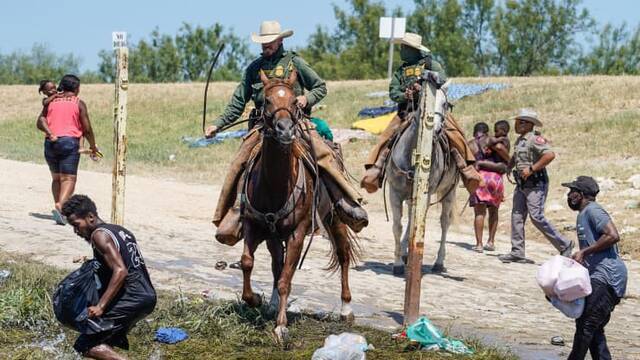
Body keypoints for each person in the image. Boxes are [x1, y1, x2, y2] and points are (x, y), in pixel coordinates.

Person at [205, 20, 367, 244]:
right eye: (263, 43)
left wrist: (305, 98)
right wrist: (218, 124)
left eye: (269, 42)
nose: (265, 47)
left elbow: (320, 86)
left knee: (323, 154)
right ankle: (232, 213)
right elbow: (237, 103)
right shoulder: (254, 69)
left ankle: (345, 201)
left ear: (280, 40)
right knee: (239, 161)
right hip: (264, 128)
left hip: (295, 123)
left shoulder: (295, 62)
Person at [360, 32, 483, 195]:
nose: (401, 51)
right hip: (407, 112)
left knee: (455, 134)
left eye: (404, 47)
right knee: (387, 135)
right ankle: (377, 168)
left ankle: (465, 167)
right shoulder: (400, 71)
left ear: (412, 49)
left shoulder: (431, 63)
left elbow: (443, 81)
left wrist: (425, 85)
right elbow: (393, 92)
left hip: (434, 109)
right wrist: (405, 95)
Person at [62, 194, 157, 360]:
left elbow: (120, 270)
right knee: (104, 343)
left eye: (77, 225)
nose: (76, 231)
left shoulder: (99, 235)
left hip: (132, 298)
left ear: (90, 217)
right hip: (146, 295)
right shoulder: (120, 231)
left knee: (85, 345)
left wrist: (101, 306)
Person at [562, 176, 627, 360]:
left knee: (586, 325)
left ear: (580, 194)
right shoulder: (583, 214)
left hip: (608, 277)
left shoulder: (593, 211)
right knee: (594, 328)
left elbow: (613, 235)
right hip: (597, 276)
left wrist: (585, 252)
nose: (569, 195)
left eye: (571, 192)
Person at [498, 109, 573, 263]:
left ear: (527, 124)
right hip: (522, 184)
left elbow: (549, 155)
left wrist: (532, 168)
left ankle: (565, 244)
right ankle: (517, 252)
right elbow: (516, 156)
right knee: (517, 216)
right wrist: (509, 166)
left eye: (519, 122)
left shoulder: (535, 139)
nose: (516, 125)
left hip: (536, 184)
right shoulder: (520, 140)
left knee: (536, 216)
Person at [36, 74, 99, 225]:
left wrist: (51, 133)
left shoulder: (51, 102)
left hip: (50, 143)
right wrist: (92, 145)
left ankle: (59, 209)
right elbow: (87, 129)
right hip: (69, 142)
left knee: (57, 178)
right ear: (77, 88)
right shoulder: (78, 103)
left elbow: (39, 122)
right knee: (69, 179)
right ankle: (61, 206)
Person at [468, 120, 510, 252]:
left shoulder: (470, 144)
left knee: (479, 212)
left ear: (475, 132)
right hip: (495, 179)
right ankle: (491, 242)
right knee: (494, 211)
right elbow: (499, 150)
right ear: (486, 131)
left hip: (479, 178)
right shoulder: (491, 140)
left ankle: (479, 244)